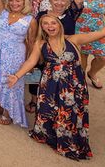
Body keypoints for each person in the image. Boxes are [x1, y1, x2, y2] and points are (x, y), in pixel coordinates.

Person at [7, 14, 105, 160]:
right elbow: (31, 62)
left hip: (73, 86)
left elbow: (100, 33)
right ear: (42, 27)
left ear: (59, 25)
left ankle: (69, 144)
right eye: (46, 24)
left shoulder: (73, 40)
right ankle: (47, 136)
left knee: (70, 114)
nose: (50, 26)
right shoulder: (40, 44)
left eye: (53, 23)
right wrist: (17, 75)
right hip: (50, 84)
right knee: (48, 111)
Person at [75, 0, 105, 89]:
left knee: (102, 58)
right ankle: (81, 79)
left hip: (98, 34)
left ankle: (92, 73)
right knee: (82, 60)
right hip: (80, 33)